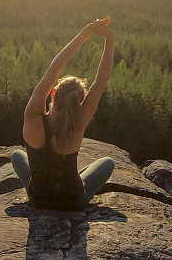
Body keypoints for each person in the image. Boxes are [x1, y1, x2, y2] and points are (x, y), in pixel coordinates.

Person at [11, 17, 116, 211]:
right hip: (73, 201)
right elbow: (101, 79)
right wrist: (109, 38)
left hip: (39, 200)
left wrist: (85, 33)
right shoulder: (78, 123)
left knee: (17, 156)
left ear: (52, 93)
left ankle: (47, 184)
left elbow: (55, 67)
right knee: (107, 163)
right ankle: (77, 178)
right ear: (79, 104)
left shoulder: (33, 116)